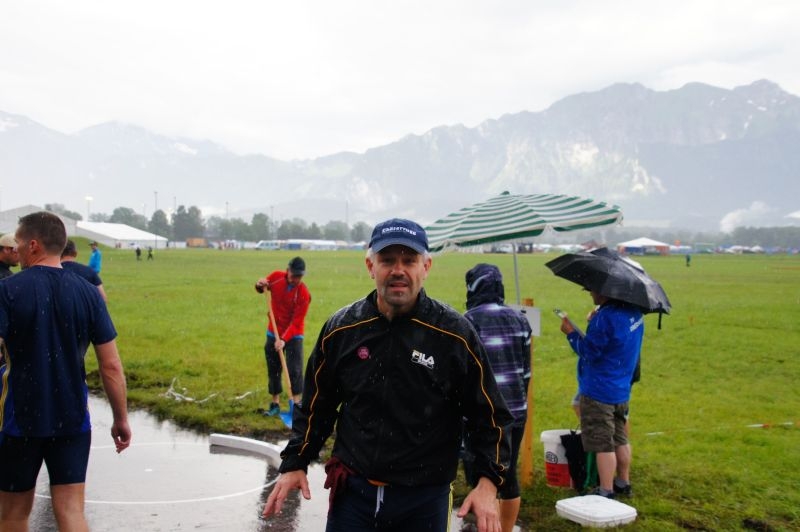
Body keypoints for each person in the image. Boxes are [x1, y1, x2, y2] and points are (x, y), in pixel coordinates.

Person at [262, 218, 513, 532]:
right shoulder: (342, 329)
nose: (398, 270)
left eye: (409, 261)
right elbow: (317, 405)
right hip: (353, 495)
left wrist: (488, 483)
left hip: (424, 499)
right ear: (371, 266)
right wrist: (296, 461)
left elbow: (490, 416)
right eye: (388, 260)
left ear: (426, 266)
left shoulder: (454, 335)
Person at [0, 211, 131, 530]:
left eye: (18, 244)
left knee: (13, 513)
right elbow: (111, 365)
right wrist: (121, 418)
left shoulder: (7, 290)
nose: (16, 252)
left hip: (19, 419)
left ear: (33, 245)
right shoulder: (88, 293)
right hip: (72, 418)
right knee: (72, 510)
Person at [463, 263, 532, 532]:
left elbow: (465, 373)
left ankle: (483, 527)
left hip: (484, 414)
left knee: (482, 475)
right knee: (508, 475)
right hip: (515, 411)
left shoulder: (468, 321)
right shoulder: (521, 320)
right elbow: (526, 372)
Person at [559, 291, 643, 499]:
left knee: (602, 443)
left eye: (593, 289)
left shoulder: (605, 318)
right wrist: (595, 322)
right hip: (621, 388)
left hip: (598, 391)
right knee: (620, 438)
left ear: (606, 291)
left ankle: (606, 490)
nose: (590, 292)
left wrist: (571, 333)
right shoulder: (634, 313)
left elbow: (589, 352)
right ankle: (623, 482)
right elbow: (615, 340)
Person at [254, 256, 311, 416]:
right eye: (294, 275)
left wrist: (284, 339)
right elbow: (262, 288)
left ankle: (296, 406)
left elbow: (297, 321)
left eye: (299, 276)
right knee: (274, 368)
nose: (295, 279)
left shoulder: (304, 293)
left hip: (294, 335)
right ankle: (275, 404)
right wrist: (259, 284)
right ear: (288, 271)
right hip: (274, 330)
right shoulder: (276, 277)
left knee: (295, 370)